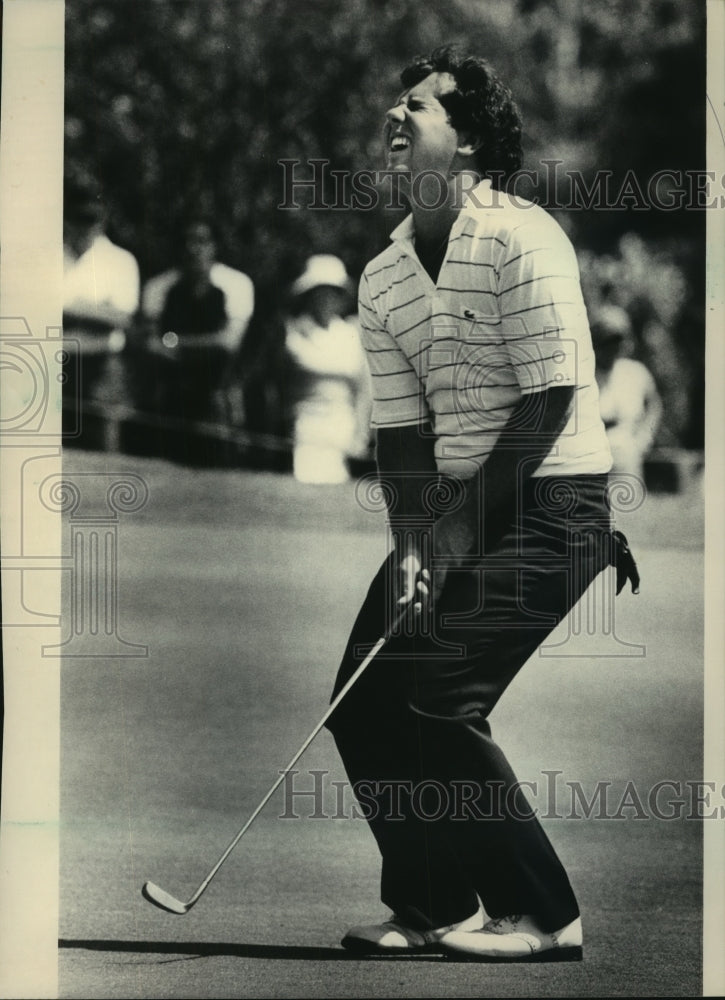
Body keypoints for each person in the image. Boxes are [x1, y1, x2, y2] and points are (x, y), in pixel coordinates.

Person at [325, 45, 639, 962]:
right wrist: (416, 544)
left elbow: (547, 402)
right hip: (458, 511)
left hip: (557, 510)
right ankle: (434, 904)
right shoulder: (382, 275)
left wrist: (452, 537)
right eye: (397, 100)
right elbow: (402, 438)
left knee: (441, 695)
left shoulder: (522, 236)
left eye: (417, 106)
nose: (395, 114)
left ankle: (543, 914)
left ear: (465, 144)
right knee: (364, 699)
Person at [137, 216, 254, 424]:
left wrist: (174, 342)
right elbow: (151, 343)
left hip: (216, 392)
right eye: (187, 241)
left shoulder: (237, 284)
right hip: (169, 393)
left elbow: (228, 343)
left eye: (202, 241)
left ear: (215, 245)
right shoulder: (158, 287)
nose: (193, 248)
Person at [63, 170, 140, 443]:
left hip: (101, 367)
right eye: (78, 218)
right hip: (53, 366)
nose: (85, 227)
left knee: (103, 457)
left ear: (103, 218)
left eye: (92, 219)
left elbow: (121, 318)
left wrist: (67, 307)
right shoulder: (48, 257)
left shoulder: (119, 261)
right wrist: (94, 311)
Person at [284, 255, 372, 483]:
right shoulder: (293, 332)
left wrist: (361, 434)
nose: (326, 299)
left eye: (332, 293)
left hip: (344, 423)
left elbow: (364, 388)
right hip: (306, 425)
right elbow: (302, 364)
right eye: (319, 293)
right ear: (309, 297)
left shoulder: (352, 335)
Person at [591, 304, 663, 481]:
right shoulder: (584, 374)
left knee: (628, 504)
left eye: (617, 340)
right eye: (605, 341)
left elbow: (654, 405)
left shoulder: (635, 372)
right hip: (592, 461)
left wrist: (644, 440)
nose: (612, 347)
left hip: (627, 459)